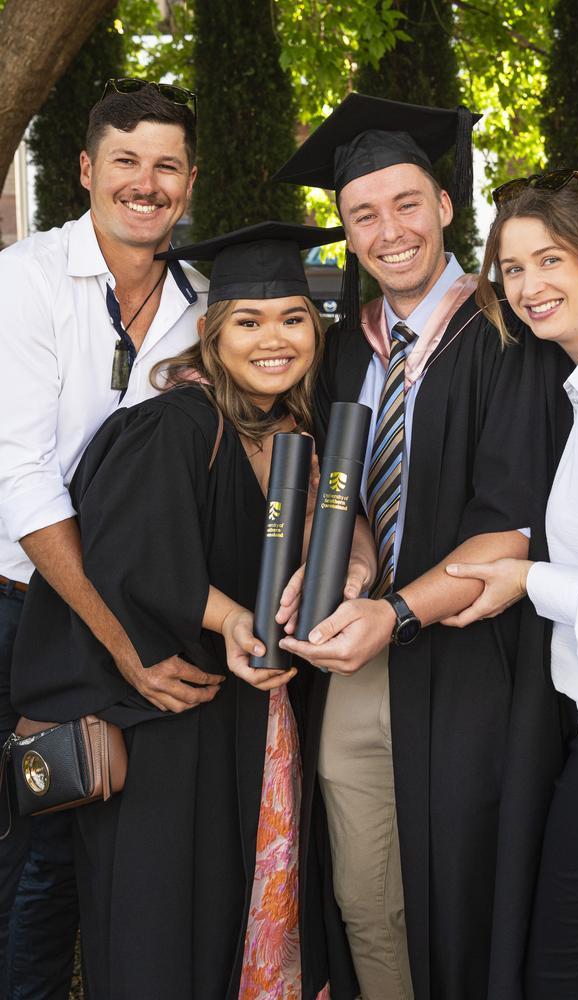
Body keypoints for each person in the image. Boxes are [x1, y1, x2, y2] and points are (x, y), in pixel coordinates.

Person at [10, 221, 363, 1000]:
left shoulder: (295, 430)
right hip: (177, 715)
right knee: (167, 922)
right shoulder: (176, 423)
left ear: (317, 327)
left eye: (293, 319)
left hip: (262, 715)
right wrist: (232, 618)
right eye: (248, 321)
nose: (274, 339)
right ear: (210, 333)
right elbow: (127, 555)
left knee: (252, 906)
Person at [273, 93, 574, 1000]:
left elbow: (511, 526)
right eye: (364, 213)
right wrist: (358, 554)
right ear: (347, 231)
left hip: (480, 658)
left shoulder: (511, 335)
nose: (389, 229)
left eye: (408, 203)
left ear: (446, 207)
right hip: (366, 656)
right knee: (366, 887)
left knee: (465, 877)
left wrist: (395, 608)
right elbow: (349, 484)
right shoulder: (347, 349)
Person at [0, 79, 208, 998]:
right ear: (86, 169)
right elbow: (23, 475)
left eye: (166, 165)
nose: (145, 182)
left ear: (190, 183)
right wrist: (122, 644)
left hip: (124, 609)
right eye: (126, 160)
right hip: (20, 605)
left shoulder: (201, 302)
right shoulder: (26, 280)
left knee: (70, 839)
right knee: (19, 846)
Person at [442, 169, 578, 1000]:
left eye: (549, 259)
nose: (529, 287)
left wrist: (531, 578)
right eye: (512, 268)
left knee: (564, 976)